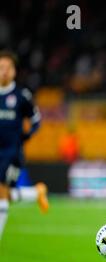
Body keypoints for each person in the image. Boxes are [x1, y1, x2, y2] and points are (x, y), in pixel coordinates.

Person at [0, 50, 49, 240]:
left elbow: (36, 120)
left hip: (11, 153)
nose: (4, 71)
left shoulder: (21, 96)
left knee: (1, 193)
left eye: (7, 68)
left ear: (14, 71)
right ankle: (35, 193)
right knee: (3, 194)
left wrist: (25, 137)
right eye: (1, 68)